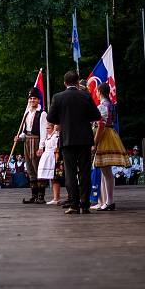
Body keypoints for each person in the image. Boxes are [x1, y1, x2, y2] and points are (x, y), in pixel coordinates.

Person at [46, 70, 102, 215]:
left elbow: (51, 118)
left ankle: (74, 205)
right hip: (84, 139)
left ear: (65, 83)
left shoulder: (58, 97)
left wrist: (63, 119)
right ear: (78, 83)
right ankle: (85, 204)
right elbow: (96, 115)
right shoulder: (85, 95)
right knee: (84, 172)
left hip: (67, 139)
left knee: (70, 173)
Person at [92, 82, 130, 211]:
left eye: (97, 92)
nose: (96, 94)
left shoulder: (102, 106)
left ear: (99, 92)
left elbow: (101, 125)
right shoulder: (112, 105)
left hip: (104, 136)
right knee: (106, 172)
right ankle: (107, 201)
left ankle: (109, 201)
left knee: (106, 171)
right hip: (111, 133)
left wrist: (95, 142)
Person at [18, 87, 48, 204]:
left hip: (36, 141)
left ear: (38, 100)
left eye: (34, 98)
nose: (32, 101)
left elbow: (43, 132)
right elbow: (25, 131)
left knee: (38, 168)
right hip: (27, 142)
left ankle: (41, 196)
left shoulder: (42, 114)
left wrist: (41, 147)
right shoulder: (27, 114)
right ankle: (33, 195)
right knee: (30, 168)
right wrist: (20, 137)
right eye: (30, 98)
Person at [37, 123, 62, 205]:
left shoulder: (56, 136)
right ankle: (55, 197)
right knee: (51, 178)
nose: (47, 130)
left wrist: (56, 158)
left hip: (53, 156)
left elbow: (56, 147)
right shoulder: (48, 136)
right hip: (47, 156)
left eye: (49, 128)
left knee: (55, 177)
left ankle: (57, 198)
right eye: (46, 128)